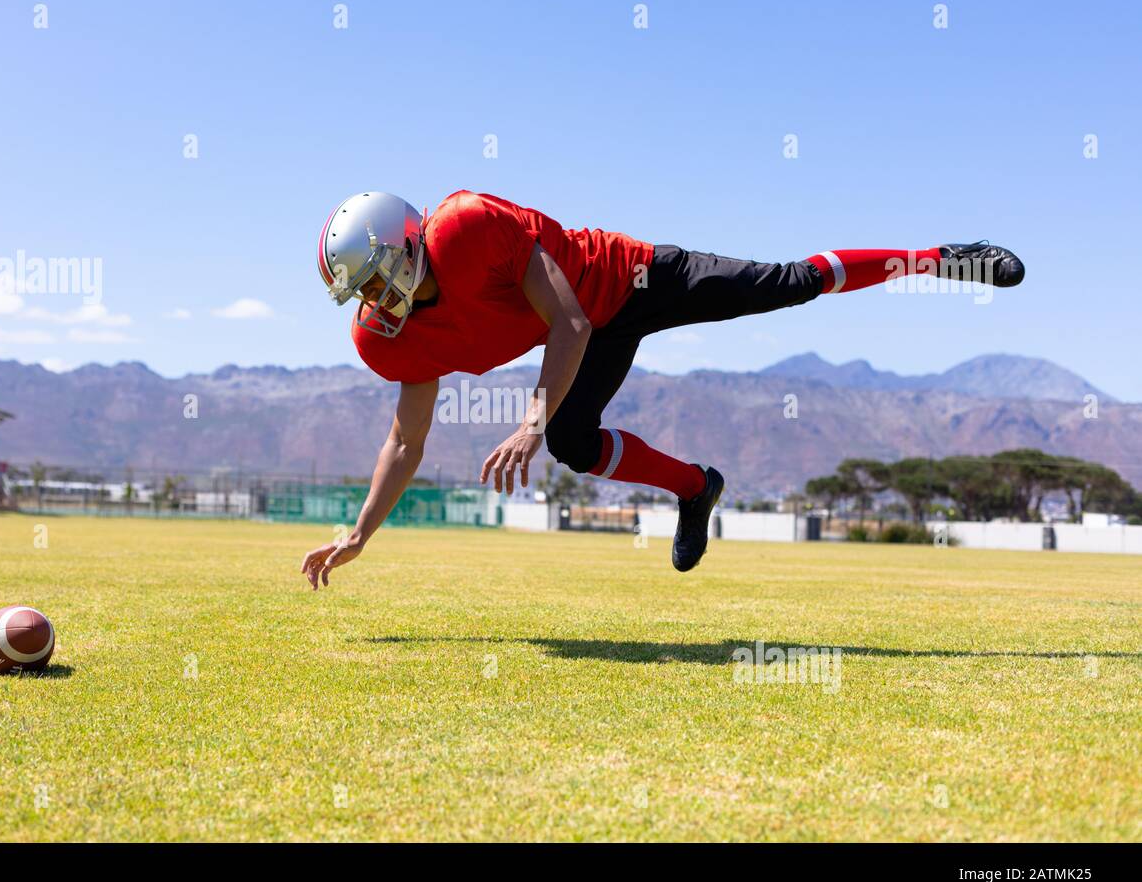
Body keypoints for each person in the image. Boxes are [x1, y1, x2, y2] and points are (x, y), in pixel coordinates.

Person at [301, 190, 1023, 588]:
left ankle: (936, 258)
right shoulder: (386, 335)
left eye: (370, 279)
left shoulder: (465, 228)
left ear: (403, 246)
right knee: (573, 442)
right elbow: (406, 437)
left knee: (789, 283)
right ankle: (695, 488)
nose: (370, 301)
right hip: (584, 331)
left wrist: (526, 421)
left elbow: (572, 322)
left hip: (630, 280)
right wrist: (360, 533)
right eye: (355, 292)